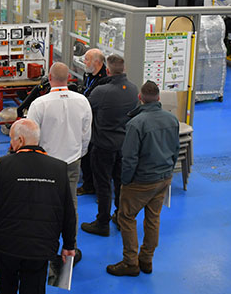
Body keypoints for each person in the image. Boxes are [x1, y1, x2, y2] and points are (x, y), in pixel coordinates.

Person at [0, 119, 76, 294]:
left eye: (12, 140)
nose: (11, 144)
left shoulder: (3, 165)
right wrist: (69, 244)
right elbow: (68, 211)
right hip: (41, 248)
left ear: (19, 140)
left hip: (6, 246)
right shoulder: (59, 168)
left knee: (5, 293)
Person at [107, 81, 180, 276]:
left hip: (141, 181)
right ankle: (146, 259)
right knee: (153, 218)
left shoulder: (136, 124)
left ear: (140, 98)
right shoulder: (172, 120)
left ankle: (130, 262)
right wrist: (167, 172)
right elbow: (175, 150)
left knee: (126, 217)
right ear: (158, 98)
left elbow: (129, 158)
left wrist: (126, 181)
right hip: (163, 178)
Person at [27, 62, 92, 264]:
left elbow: (31, 136)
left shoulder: (39, 104)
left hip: (46, 163)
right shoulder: (82, 101)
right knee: (70, 204)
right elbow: (86, 134)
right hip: (72, 161)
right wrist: (78, 153)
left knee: (44, 204)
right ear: (68, 79)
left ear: (49, 77)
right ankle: (70, 247)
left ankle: (46, 246)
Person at [81, 54, 138, 237]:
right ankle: (121, 218)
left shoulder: (101, 91)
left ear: (107, 70)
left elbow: (86, 111)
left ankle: (102, 222)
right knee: (120, 182)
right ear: (124, 69)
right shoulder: (132, 89)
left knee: (103, 185)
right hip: (123, 145)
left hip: (103, 145)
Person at [77, 48, 107, 196]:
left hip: (97, 122)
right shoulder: (88, 74)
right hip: (85, 118)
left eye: (87, 59)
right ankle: (88, 183)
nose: (84, 62)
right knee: (85, 153)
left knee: (93, 156)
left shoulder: (104, 80)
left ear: (97, 62)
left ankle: (94, 186)